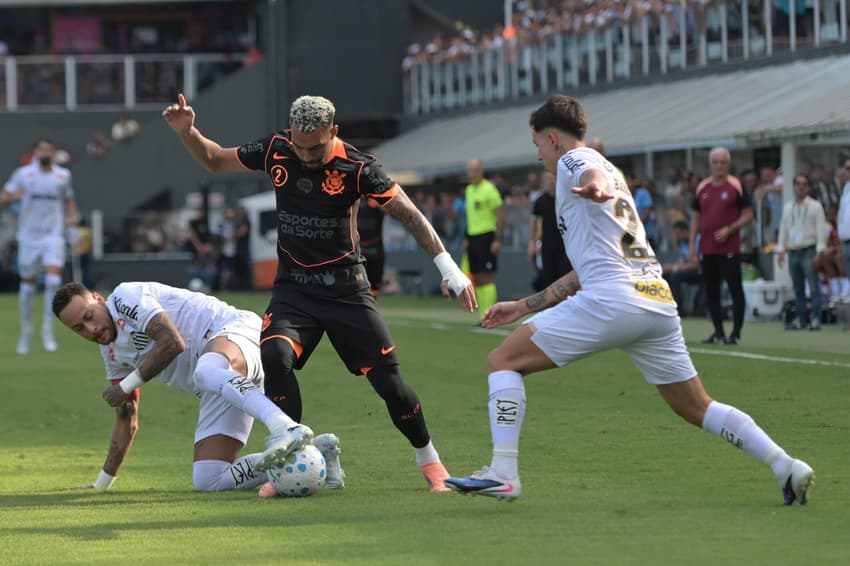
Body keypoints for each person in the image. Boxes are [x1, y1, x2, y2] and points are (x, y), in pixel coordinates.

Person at [444, 95, 814, 506]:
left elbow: (584, 172)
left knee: (502, 361)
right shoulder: (615, 174)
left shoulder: (574, 162)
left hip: (612, 299)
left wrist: (595, 187)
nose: (538, 156)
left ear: (552, 139)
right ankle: (786, 466)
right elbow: (591, 264)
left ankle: (503, 472)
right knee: (697, 406)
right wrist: (526, 305)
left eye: (536, 146)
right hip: (654, 300)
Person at [163, 93, 476, 491]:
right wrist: (188, 131)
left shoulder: (359, 167)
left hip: (347, 290)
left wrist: (449, 269)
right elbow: (213, 158)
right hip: (294, 289)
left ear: (334, 132)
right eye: (300, 146)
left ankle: (431, 464)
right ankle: (289, 462)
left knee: (389, 384)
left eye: (316, 147)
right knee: (274, 357)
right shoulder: (276, 149)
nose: (306, 156)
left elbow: (410, 215)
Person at [52, 281, 344, 496]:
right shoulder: (112, 356)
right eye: (78, 328)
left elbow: (172, 343)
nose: (89, 329)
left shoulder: (125, 298)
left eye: (89, 316)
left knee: (206, 369)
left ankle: (286, 428)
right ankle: (311, 453)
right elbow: (127, 421)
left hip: (235, 333)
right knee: (208, 480)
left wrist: (127, 384)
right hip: (218, 384)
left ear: (99, 299)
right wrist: (101, 485)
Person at [1, 138, 79, 354]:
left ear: (54, 153)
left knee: (53, 279)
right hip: (28, 237)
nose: (45, 152)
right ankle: (27, 330)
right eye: (41, 149)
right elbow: (4, 196)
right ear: (35, 152)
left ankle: (47, 329)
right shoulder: (23, 174)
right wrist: (13, 196)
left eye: (49, 149)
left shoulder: (63, 175)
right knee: (27, 285)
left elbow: (68, 200)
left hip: (52, 236)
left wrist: (72, 219)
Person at [689, 148, 753, 345]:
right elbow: (696, 217)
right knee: (711, 290)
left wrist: (730, 229)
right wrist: (692, 244)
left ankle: (736, 332)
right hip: (707, 249)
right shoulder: (702, 188)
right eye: (715, 162)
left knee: (735, 289)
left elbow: (748, 214)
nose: (719, 166)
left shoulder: (736, 186)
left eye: (723, 162)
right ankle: (718, 331)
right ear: (710, 165)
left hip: (729, 249)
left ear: (728, 164)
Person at [775, 175, 827, 330]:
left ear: (809, 188)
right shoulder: (788, 207)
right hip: (794, 250)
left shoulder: (815, 206)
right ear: (793, 186)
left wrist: (820, 251)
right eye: (798, 184)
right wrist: (780, 250)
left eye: (804, 184)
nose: (801, 187)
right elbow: (783, 229)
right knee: (797, 288)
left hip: (809, 249)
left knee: (813, 286)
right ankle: (801, 318)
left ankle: (816, 318)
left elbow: (820, 229)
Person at [464, 158, 505, 323]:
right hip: (473, 237)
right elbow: (470, 217)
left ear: (480, 171)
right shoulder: (469, 190)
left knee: (487, 277)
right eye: (470, 171)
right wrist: (467, 237)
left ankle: (491, 315)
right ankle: (483, 316)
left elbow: (501, 216)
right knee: (477, 277)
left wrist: (497, 239)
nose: (472, 174)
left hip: (487, 235)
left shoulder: (489, 189)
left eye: (474, 170)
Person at [527, 170, 572, 290]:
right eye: (548, 179)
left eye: (553, 177)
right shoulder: (540, 201)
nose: (551, 181)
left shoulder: (567, 199)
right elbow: (534, 221)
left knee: (565, 277)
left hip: (566, 246)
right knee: (548, 279)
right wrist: (532, 243)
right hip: (546, 246)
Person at [662, 220, 701, 317]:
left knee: (676, 275)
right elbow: (683, 261)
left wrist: (675, 268)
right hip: (688, 272)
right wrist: (671, 267)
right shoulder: (682, 243)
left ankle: (679, 309)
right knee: (666, 275)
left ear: (685, 231)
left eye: (677, 233)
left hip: (701, 273)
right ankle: (667, 306)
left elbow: (695, 265)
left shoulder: (698, 240)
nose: (676, 236)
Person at [357, 196, 386, 296]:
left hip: (376, 250)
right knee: (358, 284)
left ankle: (372, 305)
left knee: (375, 286)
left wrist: (380, 204)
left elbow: (391, 211)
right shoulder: (353, 200)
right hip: (358, 251)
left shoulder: (376, 200)